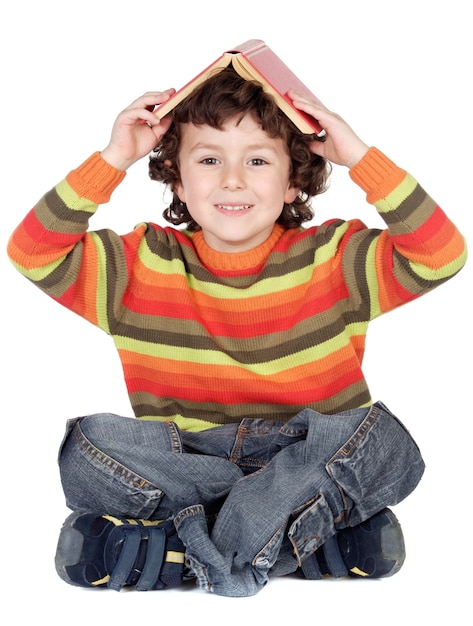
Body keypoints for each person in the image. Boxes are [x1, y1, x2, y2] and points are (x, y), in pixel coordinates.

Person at [7, 67, 467, 597]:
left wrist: (361, 156)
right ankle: (302, 539)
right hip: (189, 460)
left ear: (295, 178)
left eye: (257, 160)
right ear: (176, 179)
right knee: (86, 447)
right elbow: (33, 252)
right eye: (208, 160)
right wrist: (113, 158)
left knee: (383, 441)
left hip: (303, 451)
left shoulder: (334, 258)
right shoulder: (141, 264)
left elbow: (441, 256)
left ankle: (184, 553)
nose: (232, 180)